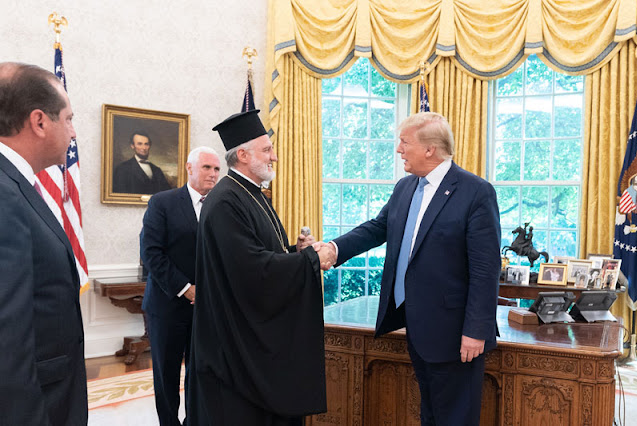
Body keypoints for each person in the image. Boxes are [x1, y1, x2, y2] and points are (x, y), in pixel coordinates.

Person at [317, 112, 501, 425]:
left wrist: (476, 330)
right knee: (430, 414)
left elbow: (486, 269)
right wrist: (334, 249)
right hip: (418, 327)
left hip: (456, 332)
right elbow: (378, 228)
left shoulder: (475, 192)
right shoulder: (405, 187)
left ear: (430, 149)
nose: (398, 149)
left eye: (405, 142)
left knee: (456, 417)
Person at [188, 109, 333, 425]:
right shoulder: (225, 201)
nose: (274, 157)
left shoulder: (252, 194)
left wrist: (296, 252)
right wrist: (310, 260)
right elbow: (250, 270)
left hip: (243, 336)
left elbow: (263, 253)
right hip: (231, 346)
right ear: (243, 155)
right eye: (267, 150)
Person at [0, 62, 87, 425]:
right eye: (68, 119)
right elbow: (7, 337)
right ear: (39, 122)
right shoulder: (5, 194)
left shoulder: (16, 184)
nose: (73, 132)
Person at [141, 146, 221, 426]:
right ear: (189, 168)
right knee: (167, 374)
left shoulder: (221, 207)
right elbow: (151, 253)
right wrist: (185, 288)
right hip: (167, 305)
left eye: (217, 169)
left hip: (206, 308)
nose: (213, 174)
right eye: (207, 167)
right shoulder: (162, 202)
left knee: (200, 373)